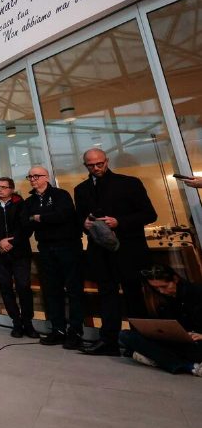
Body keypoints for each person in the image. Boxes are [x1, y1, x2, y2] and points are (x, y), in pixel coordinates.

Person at [74, 148, 157, 356]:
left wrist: (119, 221)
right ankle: (108, 341)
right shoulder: (81, 189)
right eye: (91, 165)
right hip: (100, 251)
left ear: (107, 161)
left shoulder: (129, 183)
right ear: (85, 166)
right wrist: (84, 223)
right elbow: (79, 218)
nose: (96, 168)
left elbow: (149, 214)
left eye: (99, 164)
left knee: (133, 295)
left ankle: (140, 344)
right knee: (106, 295)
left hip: (128, 249)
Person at [23, 166, 85, 350]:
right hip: (45, 248)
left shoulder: (60, 195)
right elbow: (26, 221)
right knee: (52, 290)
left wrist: (38, 218)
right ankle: (58, 330)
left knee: (74, 289)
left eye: (36, 176)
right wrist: (41, 218)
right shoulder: (30, 201)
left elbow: (64, 215)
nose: (33, 179)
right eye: (30, 176)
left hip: (68, 246)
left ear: (46, 177)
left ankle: (76, 331)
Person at [0, 177, 37, 339]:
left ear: (11, 189)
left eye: (4, 187)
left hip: (19, 252)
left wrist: (11, 242)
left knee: (23, 286)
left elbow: (26, 227)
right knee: (5, 287)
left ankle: (28, 323)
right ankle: (16, 323)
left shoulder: (22, 204)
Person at [119, 264, 202, 376]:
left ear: (175, 279)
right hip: (179, 340)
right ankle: (179, 363)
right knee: (125, 335)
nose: (161, 291)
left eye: (164, 286)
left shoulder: (197, 293)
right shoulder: (165, 298)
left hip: (197, 342)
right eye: (156, 288)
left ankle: (185, 365)